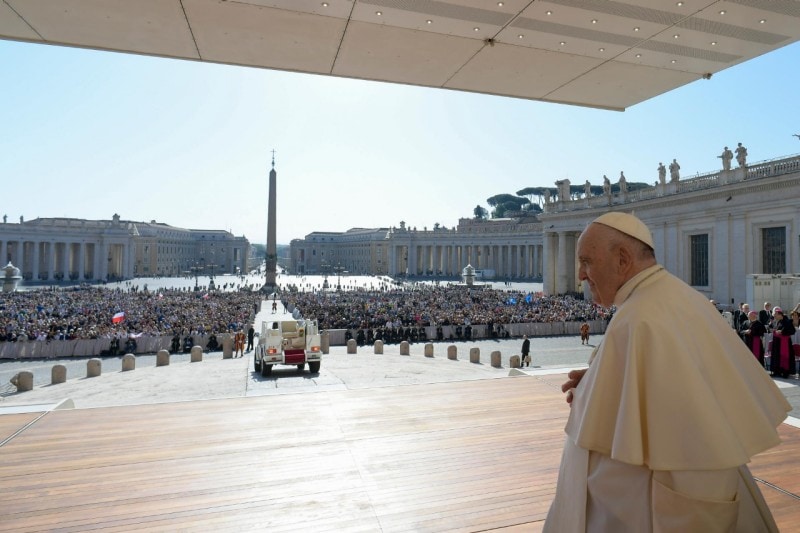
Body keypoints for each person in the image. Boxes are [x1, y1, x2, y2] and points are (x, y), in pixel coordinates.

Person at [545, 212, 790, 532]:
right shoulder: (666, 298)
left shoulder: (643, 317)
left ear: (621, 259)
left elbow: (696, 455)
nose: (580, 275)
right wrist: (597, 384)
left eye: (587, 262)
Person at [769, 307, 795, 378]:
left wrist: (782, 332)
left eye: (775, 315)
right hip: (777, 342)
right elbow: (771, 327)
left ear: (779, 314)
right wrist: (772, 329)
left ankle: (785, 372)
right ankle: (776, 371)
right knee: (776, 357)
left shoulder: (788, 321)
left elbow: (792, 331)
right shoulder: (776, 321)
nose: (774, 317)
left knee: (784, 357)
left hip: (785, 342)